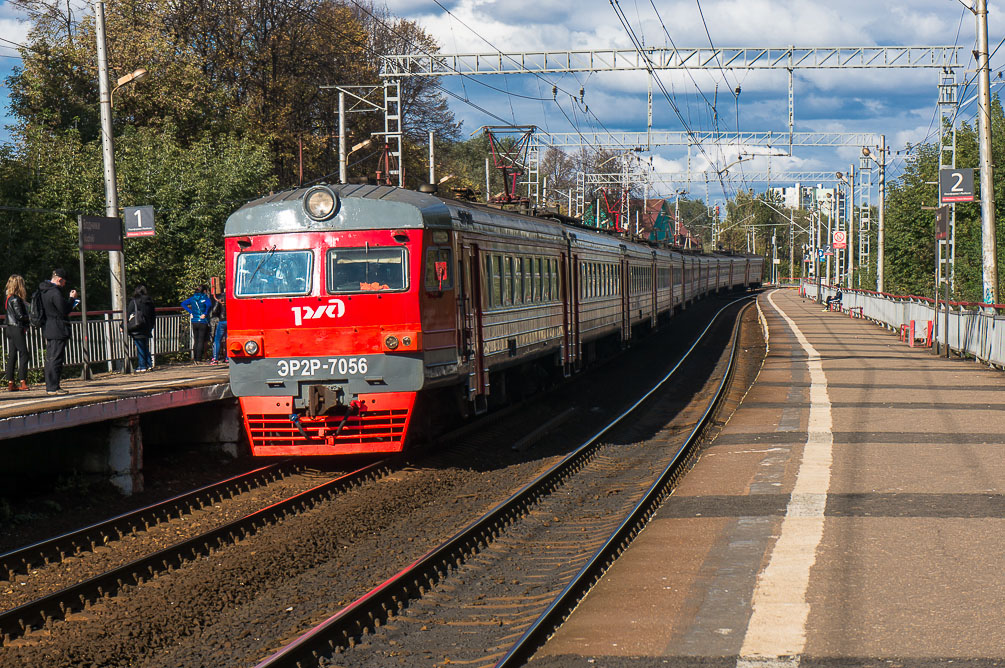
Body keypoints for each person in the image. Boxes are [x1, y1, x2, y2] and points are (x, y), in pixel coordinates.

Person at [39, 268, 79, 395]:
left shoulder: (43, 291)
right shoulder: (55, 293)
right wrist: (72, 299)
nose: (64, 284)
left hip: (48, 327)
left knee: (50, 357)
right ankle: (53, 387)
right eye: (64, 282)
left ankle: (50, 385)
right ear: (59, 280)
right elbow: (64, 310)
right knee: (56, 358)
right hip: (58, 328)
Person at [4, 274, 30, 392]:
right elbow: (20, 316)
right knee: (24, 353)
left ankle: (10, 382)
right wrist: (29, 317)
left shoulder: (8, 297)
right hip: (16, 328)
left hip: (9, 328)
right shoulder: (16, 299)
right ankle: (22, 381)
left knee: (12, 355)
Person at [126, 285, 156, 372]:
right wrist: (152, 325)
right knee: (145, 346)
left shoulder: (134, 302)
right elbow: (153, 314)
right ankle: (149, 364)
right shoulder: (149, 301)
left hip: (137, 326)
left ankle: (142, 365)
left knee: (140, 346)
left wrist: (123, 326)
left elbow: (128, 314)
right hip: (147, 326)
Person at [181, 284, 212, 362]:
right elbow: (209, 305)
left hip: (194, 320)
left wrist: (190, 312)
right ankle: (199, 358)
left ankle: (194, 358)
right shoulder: (205, 298)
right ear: (204, 291)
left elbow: (183, 304)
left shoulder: (193, 298)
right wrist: (205, 313)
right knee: (201, 340)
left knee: (196, 339)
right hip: (203, 321)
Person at [209, 292, 227, 365]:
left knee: (217, 340)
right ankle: (228, 358)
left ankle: (215, 359)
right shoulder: (232, 297)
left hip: (222, 321)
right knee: (228, 339)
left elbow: (214, 311)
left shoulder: (219, 299)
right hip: (231, 321)